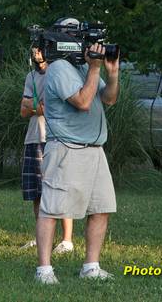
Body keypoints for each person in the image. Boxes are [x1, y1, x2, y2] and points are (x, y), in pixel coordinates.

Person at [35, 18, 120, 284]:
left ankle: (91, 266)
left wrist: (112, 72)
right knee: (52, 209)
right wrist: (95, 68)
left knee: (101, 207)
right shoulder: (59, 68)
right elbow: (83, 102)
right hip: (67, 148)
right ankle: (44, 270)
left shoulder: (85, 66)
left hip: (95, 149)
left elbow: (109, 99)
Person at [19, 47, 74, 254]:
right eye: (33, 50)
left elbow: (50, 106)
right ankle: (41, 237)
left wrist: (34, 105)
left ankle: (66, 240)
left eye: (40, 49)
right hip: (33, 138)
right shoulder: (30, 76)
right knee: (36, 193)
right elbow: (23, 110)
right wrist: (37, 105)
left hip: (54, 137)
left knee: (58, 189)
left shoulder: (58, 74)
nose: (36, 53)